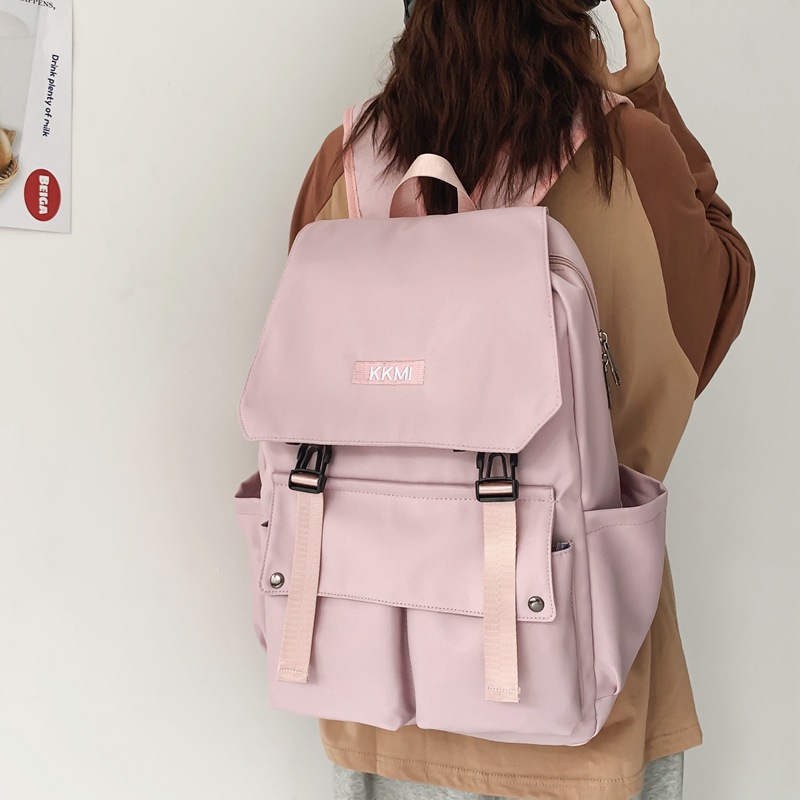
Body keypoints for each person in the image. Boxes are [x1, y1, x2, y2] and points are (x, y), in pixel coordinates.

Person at [286, 1, 755, 797]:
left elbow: (315, 402)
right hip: (575, 687)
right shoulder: (628, 153)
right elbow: (717, 300)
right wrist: (648, 96)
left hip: (380, 694)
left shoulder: (346, 162)